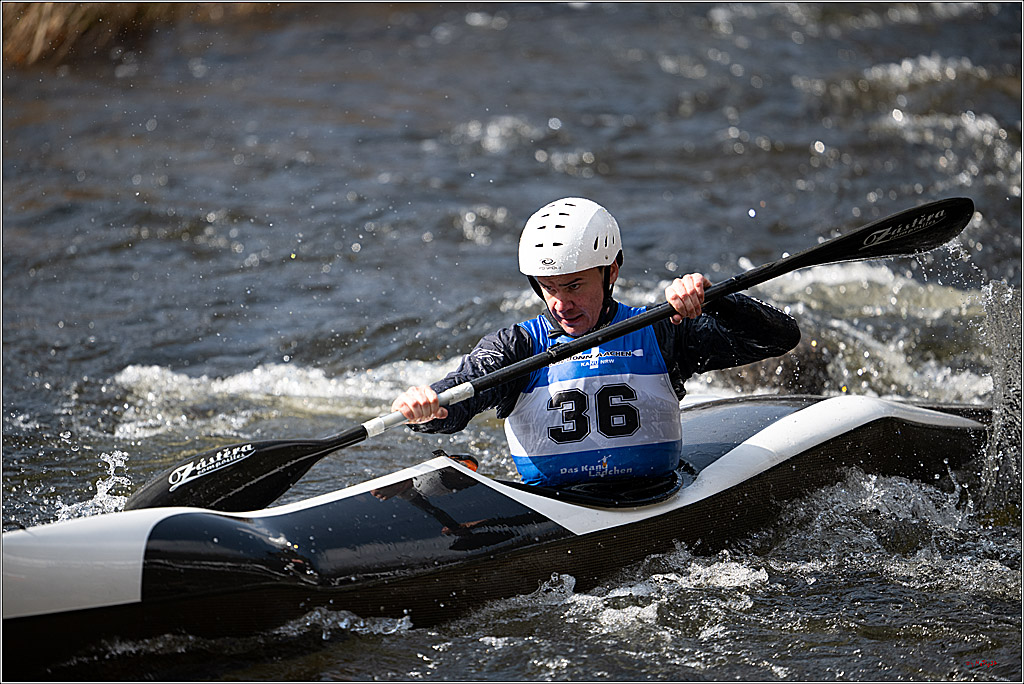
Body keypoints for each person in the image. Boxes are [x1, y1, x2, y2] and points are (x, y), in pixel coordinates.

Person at [392, 197, 800, 488]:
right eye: (549, 288)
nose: (561, 304)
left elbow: (779, 338)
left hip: (656, 494)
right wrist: (428, 407)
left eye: (574, 286)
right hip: (556, 508)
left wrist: (716, 300)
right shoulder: (517, 345)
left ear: (611, 272)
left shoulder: (662, 329)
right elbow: (459, 399)